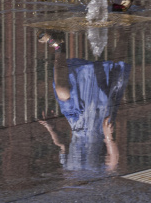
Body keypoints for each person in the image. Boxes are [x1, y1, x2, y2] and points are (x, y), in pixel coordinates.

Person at [38, 31, 129, 175]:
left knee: (62, 90)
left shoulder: (68, 168)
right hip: (99, 122)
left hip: (76, 121)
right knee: (114, 73)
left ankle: (59, 47)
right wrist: (108, 138)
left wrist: (51, 128)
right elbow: (113, 161)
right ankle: (125, 32)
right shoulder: (98, 175)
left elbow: (62, 146)